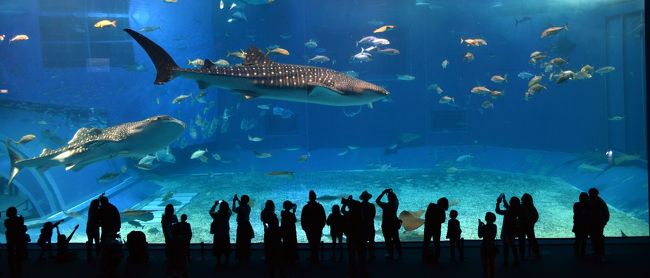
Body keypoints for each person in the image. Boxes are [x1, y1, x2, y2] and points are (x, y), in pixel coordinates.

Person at [341, 196, 367, 277]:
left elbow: (342, 210)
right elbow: (358, 205)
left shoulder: (349, 215)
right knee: (361, 254)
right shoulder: (361, 215)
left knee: (352, 255)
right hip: (360, 236)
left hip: (351, 237)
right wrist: (350, 201)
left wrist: (346, 202)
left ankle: (352, 272)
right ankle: (363, 271)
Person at [301, 190, 326, 264]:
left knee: (311, 243)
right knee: (316, 243)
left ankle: (314, 256)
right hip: (318, 228)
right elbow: (323, 217)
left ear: (309, 198)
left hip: (309, 228)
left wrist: (304, 227)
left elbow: (303, 218)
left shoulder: (306, 207)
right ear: (315, 197)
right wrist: (321, 226)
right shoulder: (320, 206)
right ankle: (315, 257)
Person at [375, 188, 402, 260]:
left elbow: (377, 201)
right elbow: (395, 199)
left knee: (388, 240)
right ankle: (400, 253)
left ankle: (390, 253)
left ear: (388, 198)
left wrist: (383, 192)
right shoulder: (396, 204)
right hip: (394, 224)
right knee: (396, 239)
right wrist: (391, 193)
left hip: (386, 225)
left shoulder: (385, 205)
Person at [495, 193, 520, 267]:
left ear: (511, 203)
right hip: (512, 232)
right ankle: (516, 259)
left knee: (506, 247)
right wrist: (504, 199)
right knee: (513, 245)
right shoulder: (516, 210)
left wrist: (498, 203)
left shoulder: (508, 211)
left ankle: (506, 261)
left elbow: (498, 211)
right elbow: (508, 206)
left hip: (506, 232)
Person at [423, 197, 448, 263]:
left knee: (426, 242)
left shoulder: (431, 205)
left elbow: (426, 215)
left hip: (428, 227)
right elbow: (443, 220)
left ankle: (425, 256)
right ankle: (437, 257)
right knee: (436, 243)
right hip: (436, 228)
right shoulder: (442, 210)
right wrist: (436, 220)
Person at [4, 206, 27, 276]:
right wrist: (21, 219)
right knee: (19, 253)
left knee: (10, 254)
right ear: (15, 212)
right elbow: (21, 227)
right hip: (19, 238)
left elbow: (9, 228)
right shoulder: (20, 219)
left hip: (10, 238)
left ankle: (12, 270)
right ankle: (19, 269)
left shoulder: (6, 221)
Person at [588, 187, 609, 260]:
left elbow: (606, 213)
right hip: (593, 223)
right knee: (594, 238)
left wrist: (604, 222)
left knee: (599, 238)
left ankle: (601, 253)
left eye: (590, 194)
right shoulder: (591, 200)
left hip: (598, 224)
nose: (590, 195)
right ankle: (596, 251)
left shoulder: (600, 202)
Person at [233, 194, 254, 264]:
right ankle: (247, 257)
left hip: (241, 226)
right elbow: (242, 204)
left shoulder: (240, 208)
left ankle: (241, 258)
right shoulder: (248, 207)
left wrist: (234, 201)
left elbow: (233, 209)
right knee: (247, 242)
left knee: (240, 242)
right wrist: (237, 199)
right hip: (247, 226)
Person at [210, 200, 232, 265]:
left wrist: (215, 204)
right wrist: (226, 204)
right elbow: (230, 211)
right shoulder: (227, 215)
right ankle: (226, 261)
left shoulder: (216, 215)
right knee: (226, 248)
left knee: (218, 248)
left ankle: (218, 261)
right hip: (225, 234)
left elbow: (211, 211)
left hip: (218, 234)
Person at [519, 193, 540, 259]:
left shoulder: (524, 206)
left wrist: (532, 222)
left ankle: (523, 254)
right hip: (527, 226)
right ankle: (536, 253)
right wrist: (532, 222)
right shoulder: (531, 207)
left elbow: (536, 216)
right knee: (530, 240)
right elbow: (536, 216)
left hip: (526, 226)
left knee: (526, 240)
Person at [479, 212, 497, 278]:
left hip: (485, 246)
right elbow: (491, 231)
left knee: (486, 263)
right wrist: (483, 226)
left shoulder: (484, 227)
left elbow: (480, 235)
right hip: (492, 245)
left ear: (486, 219)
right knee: (493, 262)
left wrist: (480, 226)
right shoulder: (495, 226)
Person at [359, 190, 376, 260]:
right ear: (368, 198)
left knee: (363, 241)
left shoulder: (359, 205)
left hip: (362, 226)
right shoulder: (372, 206)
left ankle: (363, 256)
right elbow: (373, 216)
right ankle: (371, 255)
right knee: (371, 241)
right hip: (370, 225)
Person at [572, 192, 590, 257]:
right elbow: (583, 214)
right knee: (581, 240)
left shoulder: (576, 204)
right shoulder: (587, 206)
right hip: (582, 225)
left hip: (579, 225)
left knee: (579, 239)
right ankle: (581, 253)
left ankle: (579, 253)